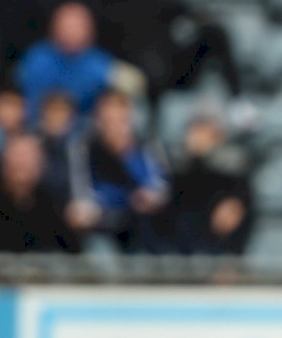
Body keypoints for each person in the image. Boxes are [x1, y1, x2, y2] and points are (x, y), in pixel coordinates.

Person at [66, 89, 168, 253]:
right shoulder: (84, 146)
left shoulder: (146, 144)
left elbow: (159, 189)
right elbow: (81, 195)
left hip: (141, 225)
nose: (114, 126)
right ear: (98, 119)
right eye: (108, 120)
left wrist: (127, 155)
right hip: (102, 227)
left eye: (120, 119)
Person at [0, 133, 80, 254]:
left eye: (27, 158)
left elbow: (68, 250)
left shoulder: (54, 204)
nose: (20, 162)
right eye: (16, 157)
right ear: (3, 163)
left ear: (41, 166)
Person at [166, 109, 253, 256]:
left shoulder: (235, 170)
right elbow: (176, 199)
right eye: (197, 129)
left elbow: (240, 206)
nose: (200, 137)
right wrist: (194, 158)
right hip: (183, 249)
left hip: (222, 250)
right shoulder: (179, 167)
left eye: (205, 130)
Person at [19, 2, 116, 123]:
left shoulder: (103, 63)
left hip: (88, 130)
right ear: (54, 28)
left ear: (90, 30)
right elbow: (30, 105)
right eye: (66, 26)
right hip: (42, 126)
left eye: (77, 26)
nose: (71, 32)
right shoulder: (36, 60)